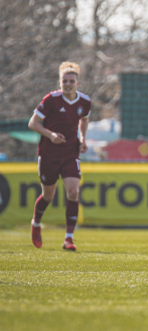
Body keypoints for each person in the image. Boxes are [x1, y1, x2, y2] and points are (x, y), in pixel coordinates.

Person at [28, 61, 91, 251]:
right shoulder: (50, 100)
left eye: (71, 81)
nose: (68, 84)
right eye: (65, 81)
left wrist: (83, 139)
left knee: (73, 191)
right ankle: (36, 224)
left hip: (71, 153)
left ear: (77, 84)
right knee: (48, 195)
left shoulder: (84, 102)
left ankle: (68, 239)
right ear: (60, 82)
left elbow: (84, 120)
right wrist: (51, 135)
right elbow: (33, 123)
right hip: (48, 153)